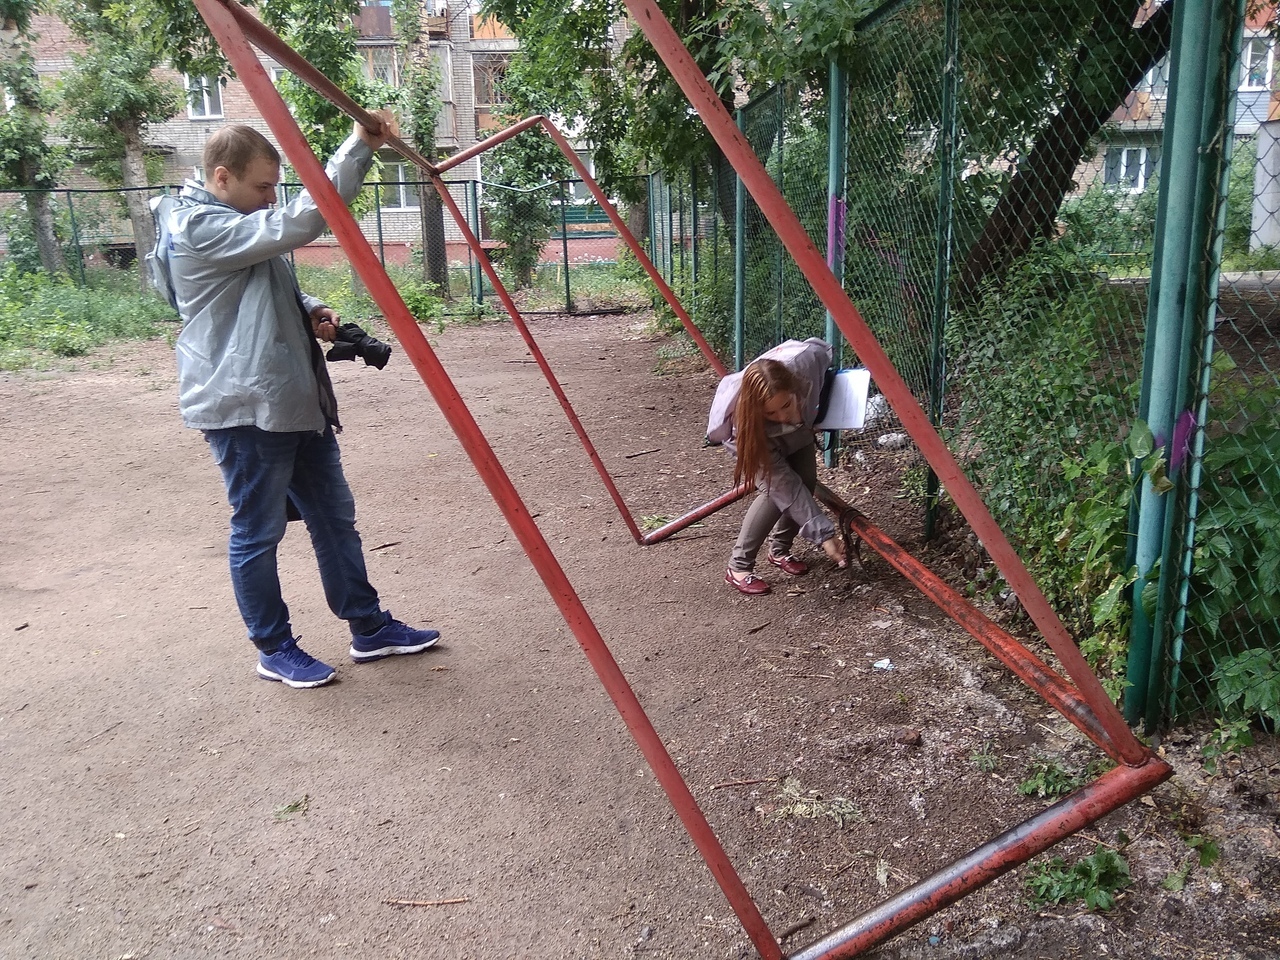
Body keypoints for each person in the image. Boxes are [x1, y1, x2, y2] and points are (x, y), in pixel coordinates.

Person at [150, 112, 440, 688]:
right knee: (257, 531)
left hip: (289, 399)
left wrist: (309, 308)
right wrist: (358, 147)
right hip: (244, 406)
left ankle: (368, 627)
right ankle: (273, 646)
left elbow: (261, 274)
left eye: (272, 188)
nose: (267, 199)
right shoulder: (197, 228)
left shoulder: (232, 219)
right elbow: (303, 221)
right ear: (223, 176)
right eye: (261, 187)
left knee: (335, 518)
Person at [706, 338, 848, 595]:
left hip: (800, 425)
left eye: (785, 404)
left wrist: (808, 413)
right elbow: (785, 485)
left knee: (806, 480)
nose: (782, 416)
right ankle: (738, 567)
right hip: (756, 438)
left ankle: (780, 550)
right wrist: (825, 536)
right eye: (772, 413)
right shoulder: (743, 424)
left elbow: (821, 351)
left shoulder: (807, 363)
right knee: (776, 492)